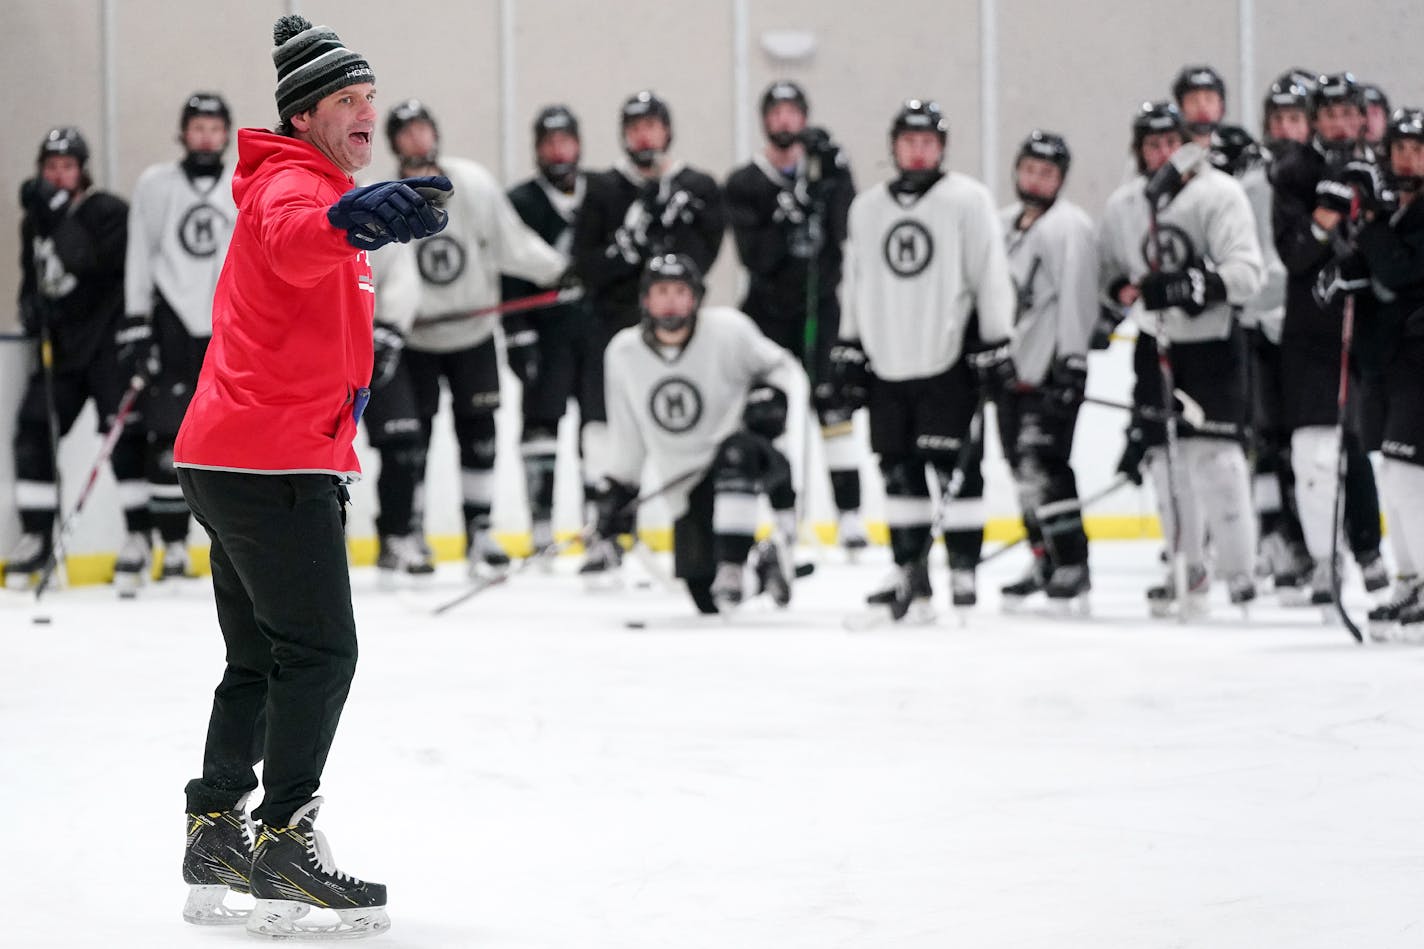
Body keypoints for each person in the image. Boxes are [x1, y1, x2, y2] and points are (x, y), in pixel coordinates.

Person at [174, 14, 451, 936]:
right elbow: (299, 237)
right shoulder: (291, 185)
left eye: (370, 97)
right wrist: (351, 217)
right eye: (347, 99)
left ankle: (216, 827)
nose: (367, 113)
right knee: (323, 652)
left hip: (240, 451)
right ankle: (285, 842)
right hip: (268, 457)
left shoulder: (315, 181)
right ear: (304, 114)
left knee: (259, 655)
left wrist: (361, 212)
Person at [831, 99, 1017, 623]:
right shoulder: (866, 209)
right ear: (893, 147)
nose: (918, 151)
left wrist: (996, 340)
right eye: (909, 141)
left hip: (948, 358)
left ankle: (963, 566)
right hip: (887, 362)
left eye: (928, 142)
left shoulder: (968, 200)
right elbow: (857, 282)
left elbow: (989, 274)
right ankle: (909, 568)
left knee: (957, 471)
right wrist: (848, 347)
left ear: (942, 147)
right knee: (898, 472)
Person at [366, 98, 565, 579]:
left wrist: (559, 271)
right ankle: (405, 533)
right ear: (393, 144)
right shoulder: (385, 197)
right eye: (405, 133)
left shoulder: (471, 184)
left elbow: (509, 243)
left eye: (422, 130)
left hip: (473, 332)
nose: (416, 140)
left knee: (479, 435)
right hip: (416, 338)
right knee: (411, 443)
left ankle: (480, 530)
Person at [1100, 101, 1264, 616]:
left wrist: (1193, 284)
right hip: (1156, 347)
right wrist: (1123, 291)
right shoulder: (1126, 205)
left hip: (1213, 343)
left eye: (1171, 143)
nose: (1163, 154)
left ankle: (1240, 570)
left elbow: (1247, 275)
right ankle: (1186, 566)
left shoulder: (1219, 193)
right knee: (1166, 464)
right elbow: (1110, 275)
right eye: (1152, 145)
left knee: (1215, 460)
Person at [572, 90, 725, 580]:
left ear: (667, 131)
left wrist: (677, 233)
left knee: (685, 427)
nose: (644, 135)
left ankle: (699, 539)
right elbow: (587, 267)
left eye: (652, 126)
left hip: (679, 339)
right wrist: (626, 246)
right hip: (613, 330)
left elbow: (703, 264)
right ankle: (607, 533)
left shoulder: (698, 186)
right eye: (635, 127)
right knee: (603, 430)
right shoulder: (601, 189)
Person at [598, 253, 800, 613]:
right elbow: (627, 430)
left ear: (696, 297)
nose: (671, 300)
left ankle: (734, 569)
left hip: (744, 459)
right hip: (685, 484)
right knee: (705, 597)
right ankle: (760, 572)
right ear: (646, 299)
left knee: (736, 454)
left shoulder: (729, 331)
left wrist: (772, 400)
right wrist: (620, 491)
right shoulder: (623, 353)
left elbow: (785, 368)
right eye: (661, 291)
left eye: (680, 291)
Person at [2, 127, 147, 595]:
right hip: (61, 352)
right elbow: (36, 277)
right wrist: (30, 306)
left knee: (122, 438)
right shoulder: (35, 221)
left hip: (105, 347)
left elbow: (87, 261)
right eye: (50, 168)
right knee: (32, 432)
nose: (57, 177)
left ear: (82, 170)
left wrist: (58, 212)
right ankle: (37, 535)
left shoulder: (107, 211)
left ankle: (138, 536)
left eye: (66, 167)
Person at [724, 80, 867, 555]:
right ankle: (784, 517)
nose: (785, 121)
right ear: (765, 120)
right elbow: (754, 257)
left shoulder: (824, 173)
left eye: (793, 112)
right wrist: (789, 217)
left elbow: (848, 228)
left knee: (834, 407)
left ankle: (850, 516)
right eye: (776, 112)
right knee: (769, 414)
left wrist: (836, 180)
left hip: (820, 309)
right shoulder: (745, 182)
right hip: (767, 314)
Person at [1270, 72, 1388, 604]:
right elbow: (1295, 254)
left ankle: (1369, 549)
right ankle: (1325, 558)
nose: (1341, 123)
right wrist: (1327, 213)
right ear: (1315, 119)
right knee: (1313, 451)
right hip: (1313, 333)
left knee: (1361, 447)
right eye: (1331, 114)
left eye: (1349, 113)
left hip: (1375, 329)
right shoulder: (1293, 172)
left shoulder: (1386, 169)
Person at [120, 92, 237, 585]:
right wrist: (137, 323)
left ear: (226, 133)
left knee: (232, 439)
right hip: (172, 323)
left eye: (214, 127)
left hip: (229, 324)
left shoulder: (243, 182)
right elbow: (141, 254)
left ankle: (231, 545)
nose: (206, 136)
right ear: (184, 133)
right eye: (198, 127)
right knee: (167, 436)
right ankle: (170, 545)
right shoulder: (156, 184)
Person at [1211, 121, 1315, 596]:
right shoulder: (1239, 190)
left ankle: (1298, 540)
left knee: (1288, 445)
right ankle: (1277, 537)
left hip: (1282, 330)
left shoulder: (1262, 186)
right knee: (1264, 445)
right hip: (1250, 332)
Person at [995, 130, 1098, 609]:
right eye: (1030, 169)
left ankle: (1072, 562)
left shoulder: (1069, 227)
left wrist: (1072, 362)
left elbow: (1078, 297)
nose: (1036, 180)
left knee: (1046, 467)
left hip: (1049, 372)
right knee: (1021, 470)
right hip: (1008, 374)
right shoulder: (1002, 225)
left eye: (1048, 173)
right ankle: (1043, 557)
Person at [1342, 107, 1424, 637]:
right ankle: (1410, 578)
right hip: (1388, 361)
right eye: (1400, 150)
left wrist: (1369, 230)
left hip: (1420, 362)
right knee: (1392, 474)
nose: (1407, 160)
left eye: (1418, 151)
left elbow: (1401, 270)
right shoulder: (1391, 214)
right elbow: (1379, 276)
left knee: (1407, 470)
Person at [502, 104, 597, 556]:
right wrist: (517, 333)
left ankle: (601, 525)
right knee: (540, 428)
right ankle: (541, 527)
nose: (558, 151)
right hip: (546, 335)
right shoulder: (521, 201)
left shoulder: (601, 195)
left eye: (565, 141)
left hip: (596, 334)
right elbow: (509, 269)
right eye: (548, 143)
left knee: (599, 429)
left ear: (578, 144)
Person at [1173, 64, 1228, 145]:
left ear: (1221, 106)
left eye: (1209, 99)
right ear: (1181, 107)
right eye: (1193, 100)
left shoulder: (1238, 144)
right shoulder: (1169, 147)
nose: (1202, 106)